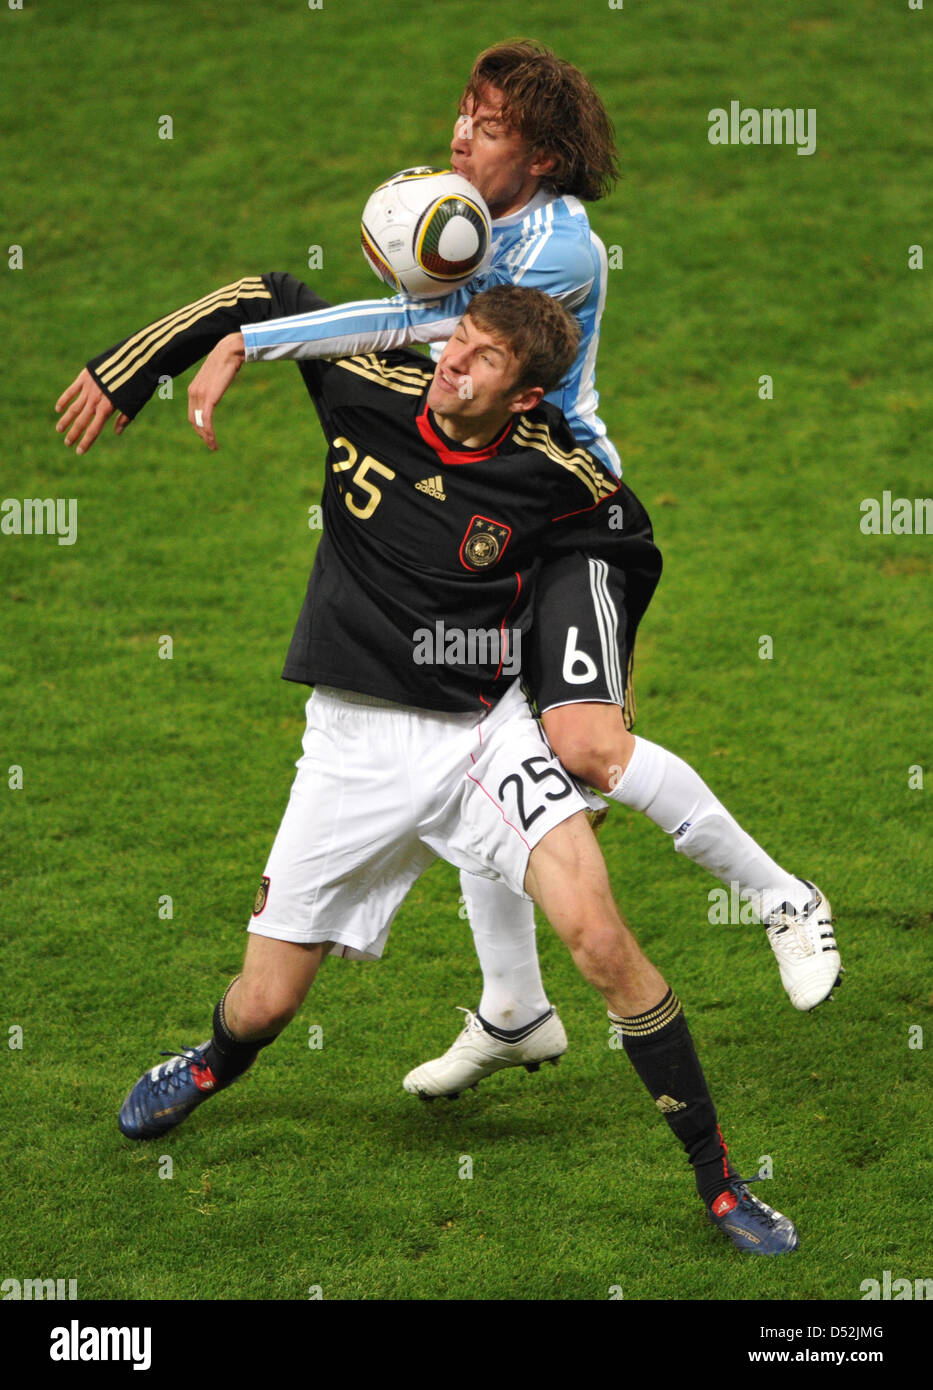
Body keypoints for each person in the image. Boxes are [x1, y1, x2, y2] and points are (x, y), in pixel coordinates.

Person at [56, 281, 799, 1254]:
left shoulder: (560, 471)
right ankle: (210, 1063)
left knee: (603, 942)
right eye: (460, 341)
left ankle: (720, 1184)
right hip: (352, 750)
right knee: (268, 1001)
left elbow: (626, 551)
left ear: (525, 395)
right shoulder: (365, 378)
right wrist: (134, 367)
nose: (454, 360)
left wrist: (590, 691)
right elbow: (264, 295)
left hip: (484, 739)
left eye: (485, 358)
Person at [163, 40, 841, 1097]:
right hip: (491, 507)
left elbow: (427, 329)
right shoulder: (463, 217)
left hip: (570, 521)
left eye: (486, 125)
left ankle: (783, 897)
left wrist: (263, 339)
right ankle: (517, 1009)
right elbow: (421, 341)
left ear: (543, 155)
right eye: (462, 113)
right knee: (473, 731)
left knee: (584, 746)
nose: (458, 135)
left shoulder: (564, 252)